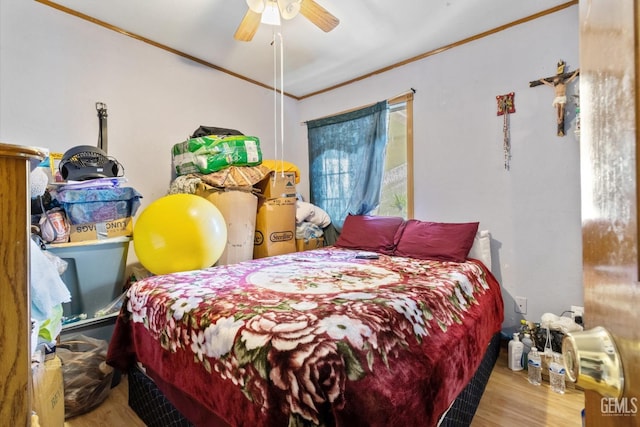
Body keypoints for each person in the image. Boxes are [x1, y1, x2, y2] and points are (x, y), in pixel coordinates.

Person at [539, 67, 579, 133]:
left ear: (560, 80)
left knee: (562, 107)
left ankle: (561, 118)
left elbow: (571, 78)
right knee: (558, 107)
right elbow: (548, 84)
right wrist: (543, 81)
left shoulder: (564, 84)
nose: (555, 81)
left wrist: (576, 72)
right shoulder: (555, 86)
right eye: (555, 81)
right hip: (557, 98)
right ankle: (558, 118)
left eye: (556, 80)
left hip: (563, 97)